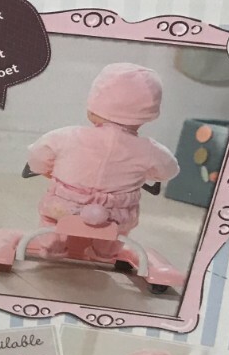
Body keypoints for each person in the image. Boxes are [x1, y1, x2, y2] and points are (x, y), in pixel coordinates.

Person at [26, 62, 180, 258]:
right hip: (117, 215)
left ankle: (52, 244)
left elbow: (38, 155)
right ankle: (104, 252)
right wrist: (148, 174)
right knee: (121, 230)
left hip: (64, 207)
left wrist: (45, 168)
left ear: (93, 109)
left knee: (50, 218)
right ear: (147, 116)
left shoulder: (66, 136)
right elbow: (169, 170)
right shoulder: (150, 149)